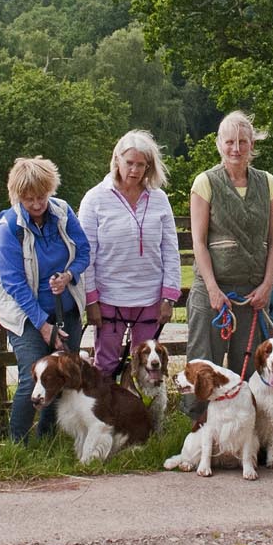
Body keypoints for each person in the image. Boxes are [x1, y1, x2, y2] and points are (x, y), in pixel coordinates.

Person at [0, 156, 92, 443]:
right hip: (25, 314)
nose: (37, 204)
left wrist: (69, 275)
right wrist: (44, 326)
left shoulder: (63, 212)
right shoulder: (8, 227)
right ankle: (18, 444)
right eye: (29, 199)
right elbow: (13, 283)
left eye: (41, 197)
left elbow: (84, 251)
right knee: (31, 379)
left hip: (65, 309)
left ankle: (47, 439)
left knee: (61, 376)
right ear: (17, 196)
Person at [186, 111, 273, 385]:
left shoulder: (267, 182)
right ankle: (198, 412)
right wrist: (213, 290)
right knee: (205, 367)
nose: (236, 148)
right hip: (213, 292)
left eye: (242, 142)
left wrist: (266, 287)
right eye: (229, 142)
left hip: (252, 293)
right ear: (219, 144)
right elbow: (199, 242)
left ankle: (247, 411)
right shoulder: (205, 182)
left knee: (249, 368)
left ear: (252, 144)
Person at [78, 130, 180, 379]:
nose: (134, 170)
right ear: (117, 160)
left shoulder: (159, 199)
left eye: (141, 165)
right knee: (106, 365)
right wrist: (91, 301)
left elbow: (170, 250)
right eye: (129, 163)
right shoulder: (94, 199)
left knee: (147, 368)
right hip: (109, 297)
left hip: (150, 299)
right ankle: (104, 405)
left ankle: (141, 405)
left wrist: (169, 297)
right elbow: (86, 255)